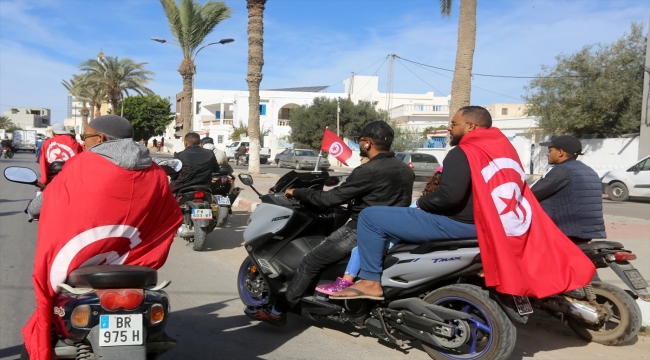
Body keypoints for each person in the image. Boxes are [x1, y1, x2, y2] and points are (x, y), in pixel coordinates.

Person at [332, 107, 595, 300]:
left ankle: (369, 281)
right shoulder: (505, 152)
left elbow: (449, 196)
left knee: (371, 217)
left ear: (470, 126)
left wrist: (423, 203)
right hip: (491, 226)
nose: (449, 127)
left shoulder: (464, 151)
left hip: (459, 224)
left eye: (453, 123)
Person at [22, 115, 182, 360]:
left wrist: (33, 209)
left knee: (50, 296)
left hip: (83, 259)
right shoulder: (155, 171)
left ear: (102, 138)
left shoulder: (81, 165)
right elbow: (168, 215)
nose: (83, 143)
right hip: (130, 256)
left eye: (85, 137)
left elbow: (48, 200)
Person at [244, 120, 415, 326]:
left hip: (362, 228)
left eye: (360, 141)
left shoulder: (369, 170)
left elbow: (329, 199)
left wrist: (298, 192)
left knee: (311, 260)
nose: (358, 144)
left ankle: (277, 310)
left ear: (367, 143)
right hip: (396, 229)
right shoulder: (405, 169)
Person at [316, 166, 443, 295]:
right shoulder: (441, 203)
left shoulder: (422, 203)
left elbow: (403, 224)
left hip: (401, 235)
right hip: (417, 235)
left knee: (360, 249)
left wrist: (387, 244)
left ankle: (346, 282)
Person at [531, 135, 606, 242]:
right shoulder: (588, 170)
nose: (548, 153)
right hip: (587, 230)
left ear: (561, 152)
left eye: (550, 150)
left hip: (566, 230)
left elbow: (532, 193)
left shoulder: (561, 171)